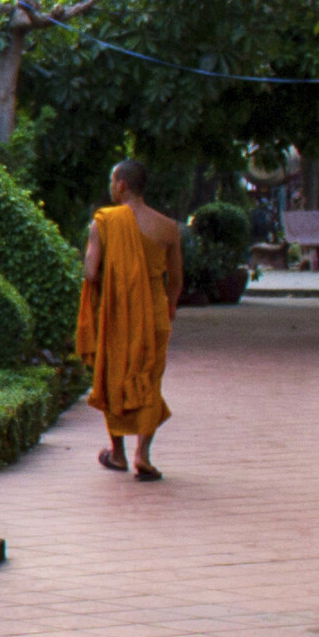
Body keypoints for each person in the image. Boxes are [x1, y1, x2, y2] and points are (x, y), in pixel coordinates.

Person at [77, 157, 182, 480]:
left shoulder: (104, 223)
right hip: (153, 314)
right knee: (149, 380)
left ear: (120, 185)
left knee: (115, 377)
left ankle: (118, 453)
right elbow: (176, 280)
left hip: (117, 312)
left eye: (112, 181)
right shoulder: (167, 227)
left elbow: (90, 272)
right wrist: (169, 310)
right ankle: (143, 454)